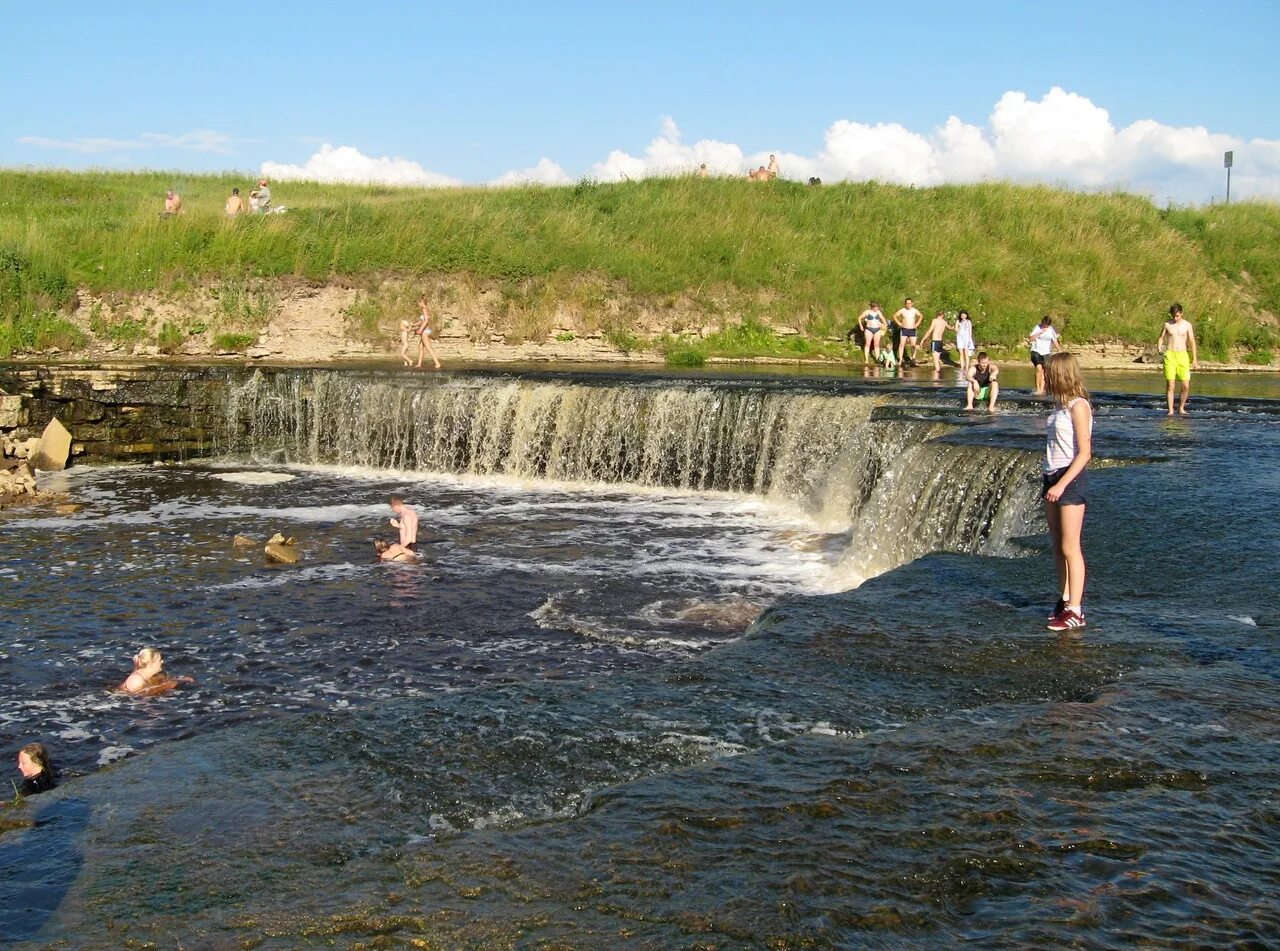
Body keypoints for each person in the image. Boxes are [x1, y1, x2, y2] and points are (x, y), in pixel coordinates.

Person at [1042, 352, 1093, 632]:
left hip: (1069, 479)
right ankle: (1063, 600)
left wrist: (1062, 484)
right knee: (1057, 546)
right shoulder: (1059, 407)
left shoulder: (1078, 406)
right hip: (1051, 475)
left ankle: (1076, 609)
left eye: (1049, 373)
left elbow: (1085, 453)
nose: (1045, 377)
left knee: (1070, 547)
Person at [1157, 303, 1199, 416]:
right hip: (1170, 355)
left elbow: (1192, 342)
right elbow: (1161, 338)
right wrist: (1159, 346)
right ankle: (1170, 410)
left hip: (1183, 355)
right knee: (1171, 384)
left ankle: (1181, 408)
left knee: (1185, 385)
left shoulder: (1187, 325)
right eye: (1173, 316)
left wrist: (1194, 359)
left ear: (1181, 313)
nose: (1175, 318)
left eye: (1177, 315)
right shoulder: (1167, 324)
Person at [119, 647, 194, 696]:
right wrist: (164, 686)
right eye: (159, 660)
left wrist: (179, 679)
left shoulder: (148, 675)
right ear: (151, 663)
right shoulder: (136, 679)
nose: (162, 662)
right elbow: (135, 697)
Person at [379, 495, 420, 562]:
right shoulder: (411, 512)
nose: (393, 511)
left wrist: (398, 549)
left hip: (408, 547)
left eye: (392, 508)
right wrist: (398, 525)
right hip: (411, 546)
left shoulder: (406, 516)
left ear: (395, 506)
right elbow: (409, 528)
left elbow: (409, 538)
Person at [1028, 316, 1060, 395]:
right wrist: (1039, 333)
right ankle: (1038, 388)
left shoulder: (1051, 330)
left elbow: (1054, 340)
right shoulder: (1037, 328)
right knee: (1039, 369)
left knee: (1044, 370)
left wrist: (1059, 349)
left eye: (1047, 325)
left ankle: (1042, 389)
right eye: (1044, 325)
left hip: (1046, 352)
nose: (1045, 327)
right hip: (1036, 351)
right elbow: (1030, 339)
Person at [892, 298, 924, 366]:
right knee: (902, 344)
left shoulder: (914, 310)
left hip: (912, 329)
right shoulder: (902, 310)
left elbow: (921, 315)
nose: (908, 305)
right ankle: (900, 360)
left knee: (913, 345)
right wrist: (899, 323)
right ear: (905, 304)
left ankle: (913, 359)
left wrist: (917, 323)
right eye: (907, 303)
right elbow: (894, 315)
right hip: (904, 329)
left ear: (912, 304)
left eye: (909, 303)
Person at [414, 296, 442, 370]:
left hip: (425, 332)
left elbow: (426, 321)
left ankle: (437, 363)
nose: (418, 304)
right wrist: (414, 325)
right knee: (420, 347)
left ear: (422, 302)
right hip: (427, 331)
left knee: (429, 348)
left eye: (419, 302)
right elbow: (422, 321)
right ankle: (419, 364)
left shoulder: (424, 309)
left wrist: (420, 329)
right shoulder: (427, 309)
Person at [953, 310, 975, 374]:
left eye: (964, 315)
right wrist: (957, 329)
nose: (963, 316)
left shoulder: (968, 321)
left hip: (966, 338)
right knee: (961, 353)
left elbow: (970, 331)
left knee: (966, 353)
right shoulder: (958, 321)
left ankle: (967, 368)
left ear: (966, 315)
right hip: (960, 338)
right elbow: (955, 329)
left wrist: (969, 340)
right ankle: (962, 367)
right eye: (962, 315)